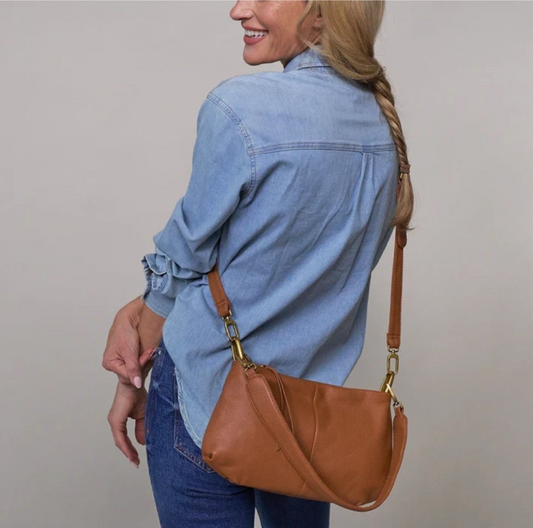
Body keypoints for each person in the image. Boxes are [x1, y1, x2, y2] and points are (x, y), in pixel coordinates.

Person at [102, 1, 414, 527]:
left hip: (207, 395)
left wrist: (133, 378)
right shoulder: (383, 129)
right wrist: (141, 306)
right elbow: (283, 265)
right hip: (309, 413)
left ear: (323, 12)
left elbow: (186, 255)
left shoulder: (241, 108)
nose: (238, 9)